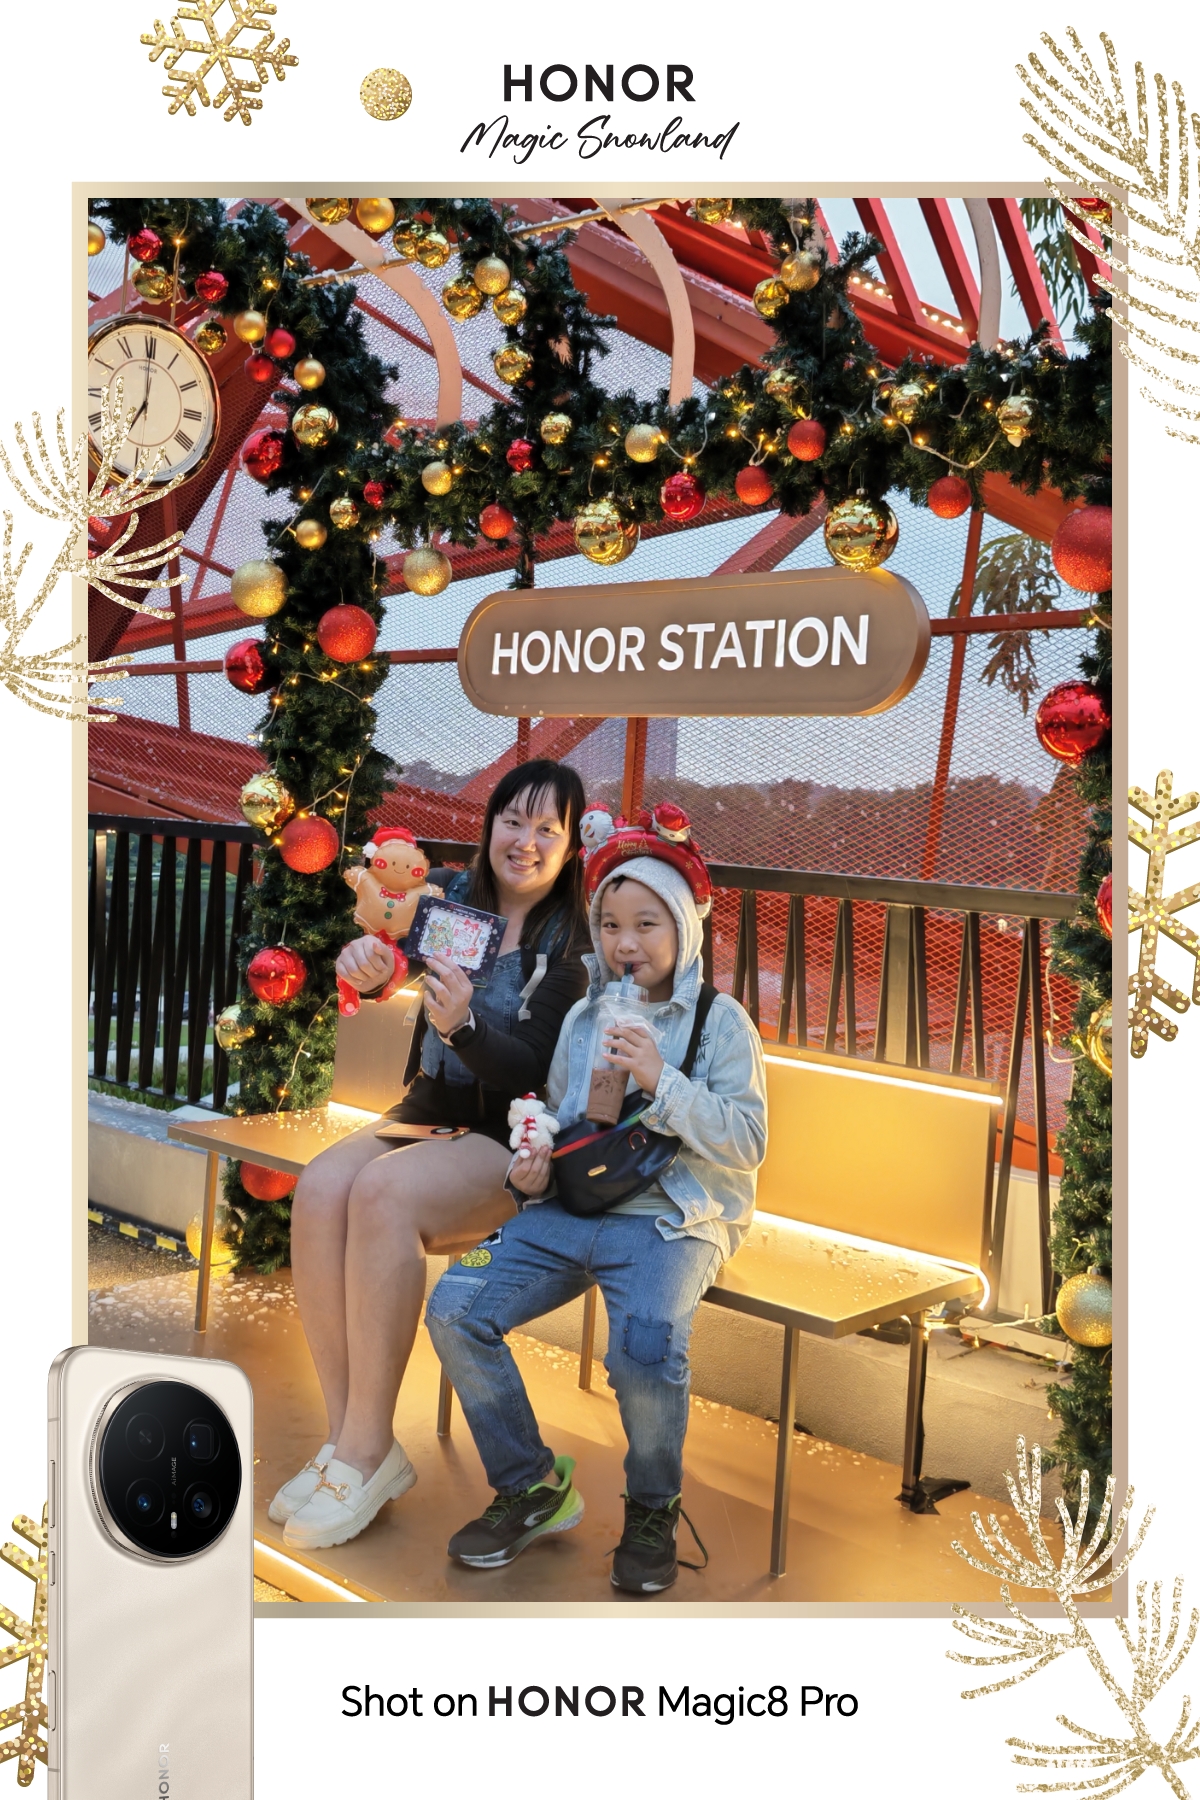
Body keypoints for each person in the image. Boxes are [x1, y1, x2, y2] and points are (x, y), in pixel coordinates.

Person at [426, 807, 767, 1595]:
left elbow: (748, 1143)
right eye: (611, 925)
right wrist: (532, 1167)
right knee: (455, 1303)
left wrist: (660, 1078)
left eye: (647, 924)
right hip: (570, 1209)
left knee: (644, 1344)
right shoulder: (586, 1014)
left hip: (674, 1219)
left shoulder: (720, 1023)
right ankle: (531, 1486)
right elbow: (559, 1115)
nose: (625, 942)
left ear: (683, 928)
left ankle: (651, 1508)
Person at [271, 760, 592, 1551]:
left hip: (513, 1135)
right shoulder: (449, 898)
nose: (525, 841)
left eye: (547, 829)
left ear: (570, 847)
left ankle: (364, 1453)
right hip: (431, 1111)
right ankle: (351, 1441)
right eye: (512, 820)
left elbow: (533, 1065)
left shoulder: (573, 945)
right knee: (322, 1186)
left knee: (382, 1194)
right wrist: (372, 969)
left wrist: (464, 1029)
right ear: (490, 824)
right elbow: (391, 966)